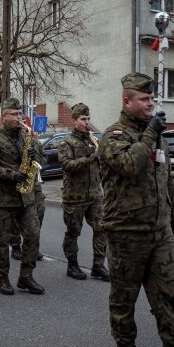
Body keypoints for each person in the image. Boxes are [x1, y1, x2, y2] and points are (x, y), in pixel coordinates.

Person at [98, 72, 174, 347]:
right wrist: (150, 134)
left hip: (159, 234)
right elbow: (129, 166)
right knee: (124, 297)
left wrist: (173, 214)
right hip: (126, 233)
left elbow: (165, 178)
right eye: (144, 100)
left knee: (169, 294)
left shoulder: (156, 137)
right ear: (127, 101)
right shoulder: (112, 136)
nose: (151, 104)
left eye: (151, 99)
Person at [0, 97, 44, 296]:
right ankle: (3, 278)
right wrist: (10, 174)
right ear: (4, 116)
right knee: (2, 241)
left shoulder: (26, 136)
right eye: (14, 115)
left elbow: (39, 161)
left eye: (20, 114)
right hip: (3, 200)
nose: (19, 118)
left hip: (26, 198)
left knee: (33, 235)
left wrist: (34, 154)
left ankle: (26, 277)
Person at [58, 103, 109, 281]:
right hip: (75, 197)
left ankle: (98, 265)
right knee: (73, 232)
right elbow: (67, 166)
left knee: (101, 229)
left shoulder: (93, 140)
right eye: (83, 119)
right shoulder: (67, 143)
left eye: (88, 119)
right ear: (75, 121)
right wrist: (89, 159)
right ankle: (72, 265)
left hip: (95, 194)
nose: (87, 122)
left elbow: (101, 167)